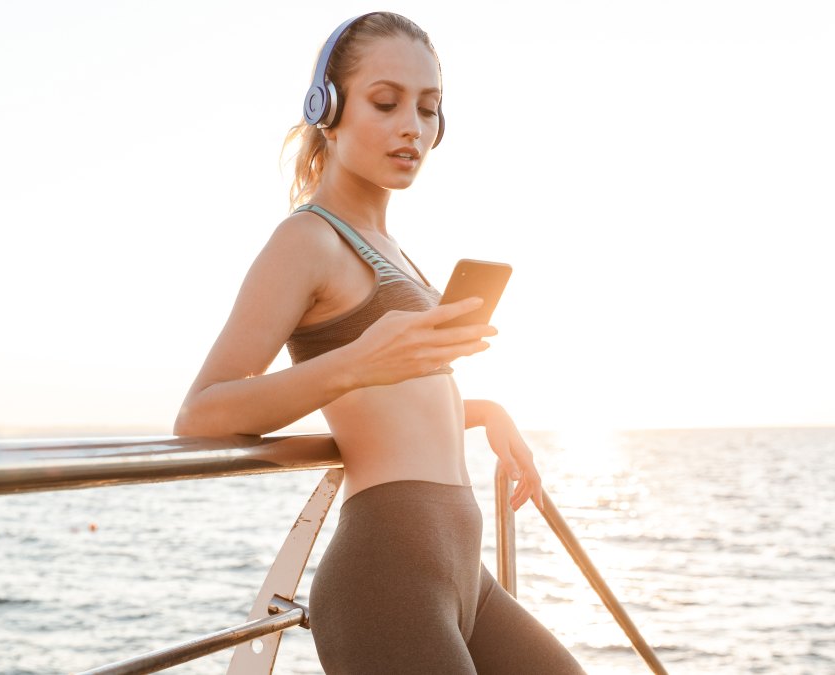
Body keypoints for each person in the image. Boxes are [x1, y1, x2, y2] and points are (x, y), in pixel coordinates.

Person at [175, 11, 585, 674]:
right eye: (386, 103)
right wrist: (359, 361)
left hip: (461, 572)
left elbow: (394, 404)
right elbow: (200, 413)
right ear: (328, 110)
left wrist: (485, 412)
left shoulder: (391, 248)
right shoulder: (305, 241)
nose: (412, 127)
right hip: (386, 580)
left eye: (428, 108)